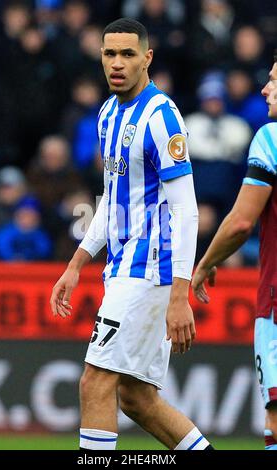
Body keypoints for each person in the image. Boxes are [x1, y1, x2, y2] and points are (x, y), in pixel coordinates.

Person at [50, 18, 214, 451]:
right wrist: (77, 263)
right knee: (137, 398)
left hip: (151, 269)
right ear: (100, 57)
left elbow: (186, 209)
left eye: (127, 54)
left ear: (148, 58)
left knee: (95, 381)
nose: (117, 63)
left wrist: (179, 293)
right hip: (122, 267)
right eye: (109, 54)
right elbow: (111, 201)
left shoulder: (162, 118)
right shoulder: (107, 113)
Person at [192, 53, 277, 451]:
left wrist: (206, 262)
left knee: (276, 418)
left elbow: (242, 222)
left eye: (275, 80)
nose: (265, 88)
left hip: (276, 302)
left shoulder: (271, 137)